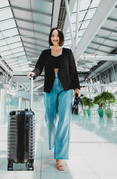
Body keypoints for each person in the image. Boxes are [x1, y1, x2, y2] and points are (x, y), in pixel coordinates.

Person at [27, 27, 80, 171]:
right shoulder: (45, 53)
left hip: (66, 87)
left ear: (61, 37)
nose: (54, 38)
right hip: (50, 87)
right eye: (52, 36)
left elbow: (73, 71)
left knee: (64, 121)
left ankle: (60, 156)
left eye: (57, 36)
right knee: (49, 119)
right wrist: (33, 73)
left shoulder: (68, 52)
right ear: (50, 38)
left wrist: (77, 88)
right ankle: (54, 145)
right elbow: (38, 68)